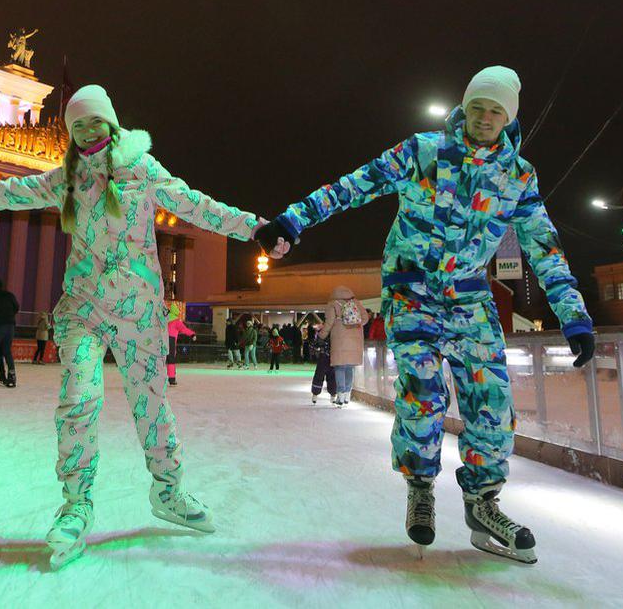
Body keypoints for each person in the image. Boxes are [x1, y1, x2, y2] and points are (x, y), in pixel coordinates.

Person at [0, 84, 260, 569]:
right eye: (78, 126)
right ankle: (76, 504)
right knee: (79, 402)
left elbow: (200, 207)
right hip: (83, 311)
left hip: (138, 314)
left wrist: (257, 228)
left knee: (151, 406)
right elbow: (3, 193)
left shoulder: (142, 170)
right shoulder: (64, 179)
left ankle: (169, 491)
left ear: (111, 123)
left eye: (95, 122)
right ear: (71, 134)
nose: (88, 132)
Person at [255, 65, 596, 564]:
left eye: (494, 111)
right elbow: (355, 185)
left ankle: (483, 503)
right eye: (477, 107)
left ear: (508, 117)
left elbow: (543, 247)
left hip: (470, 297)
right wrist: (294, 218)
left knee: (492, 399)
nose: (483, 117)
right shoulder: (423, 151)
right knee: (423, 392)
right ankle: (420, 488)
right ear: (465, 107)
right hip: (411, 292)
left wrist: (574, 316)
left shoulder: (518, 176)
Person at [319, 286, 365, 407]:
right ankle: (347, 394)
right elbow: (365, 319)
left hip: (339, 340)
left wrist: (321, 335)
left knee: (340, 367)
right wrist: (354, 323)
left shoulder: (333, 304)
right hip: (355, 341)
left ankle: (340, 394)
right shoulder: (356, 302)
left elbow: (329, 323)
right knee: (350, 367)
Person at [165, 300, 195, 387]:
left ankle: (159, 378)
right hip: (171, 340)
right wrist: (192, 334)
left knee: (162, 360)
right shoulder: (176, 321)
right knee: (171, 359)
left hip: (162, 340)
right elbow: (184, 329)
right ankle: (171, 379)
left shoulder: (165, 319)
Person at [308, 321, 335, 404]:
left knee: (325, 376)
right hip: (327, 358)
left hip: (328, 358)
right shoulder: (330, 333)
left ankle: (331, 394)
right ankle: (318, 394)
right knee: (327, 376)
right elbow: (314, 345)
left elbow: (313, 345)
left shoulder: (325, 333)